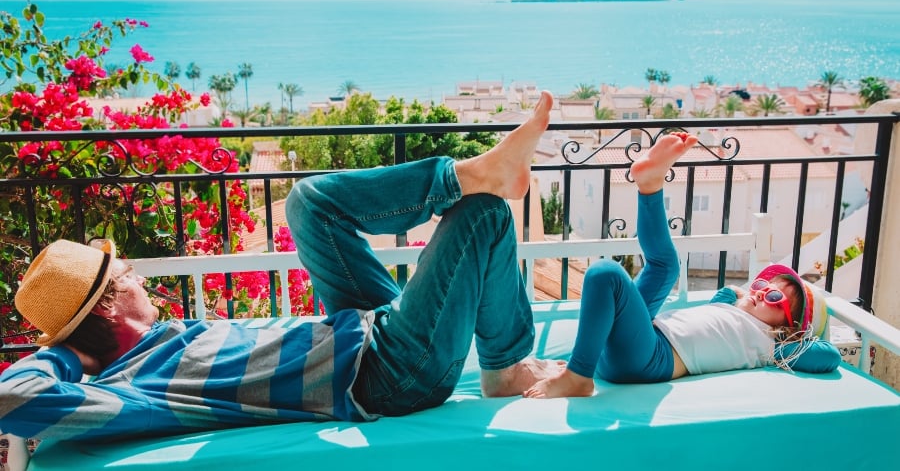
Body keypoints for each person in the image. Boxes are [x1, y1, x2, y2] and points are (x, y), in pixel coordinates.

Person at [0, 92, 563, 442]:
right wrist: (72, 351)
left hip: (361, 329)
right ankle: (506, 367)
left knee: (307, 203)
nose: (139, 278)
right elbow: (13, 397)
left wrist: (81, 333)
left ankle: (462, 175)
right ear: (105, 306)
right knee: (484, 217)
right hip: (389, 373)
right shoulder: (134, 386)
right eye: (123, 277)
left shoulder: (162, 341)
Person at [524, 132, 842, 399]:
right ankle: (650, 185)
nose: (760, 293)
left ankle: (579, 376)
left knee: (605, 274)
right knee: (666, 267)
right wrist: (739, 295)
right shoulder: (736, 314)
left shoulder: (771, 344)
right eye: (761, 286)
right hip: (639, 340)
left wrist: (797, 337)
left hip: (650, 359)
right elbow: (724, 298)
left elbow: (829, 356)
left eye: (775, 298)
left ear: (785, 327)